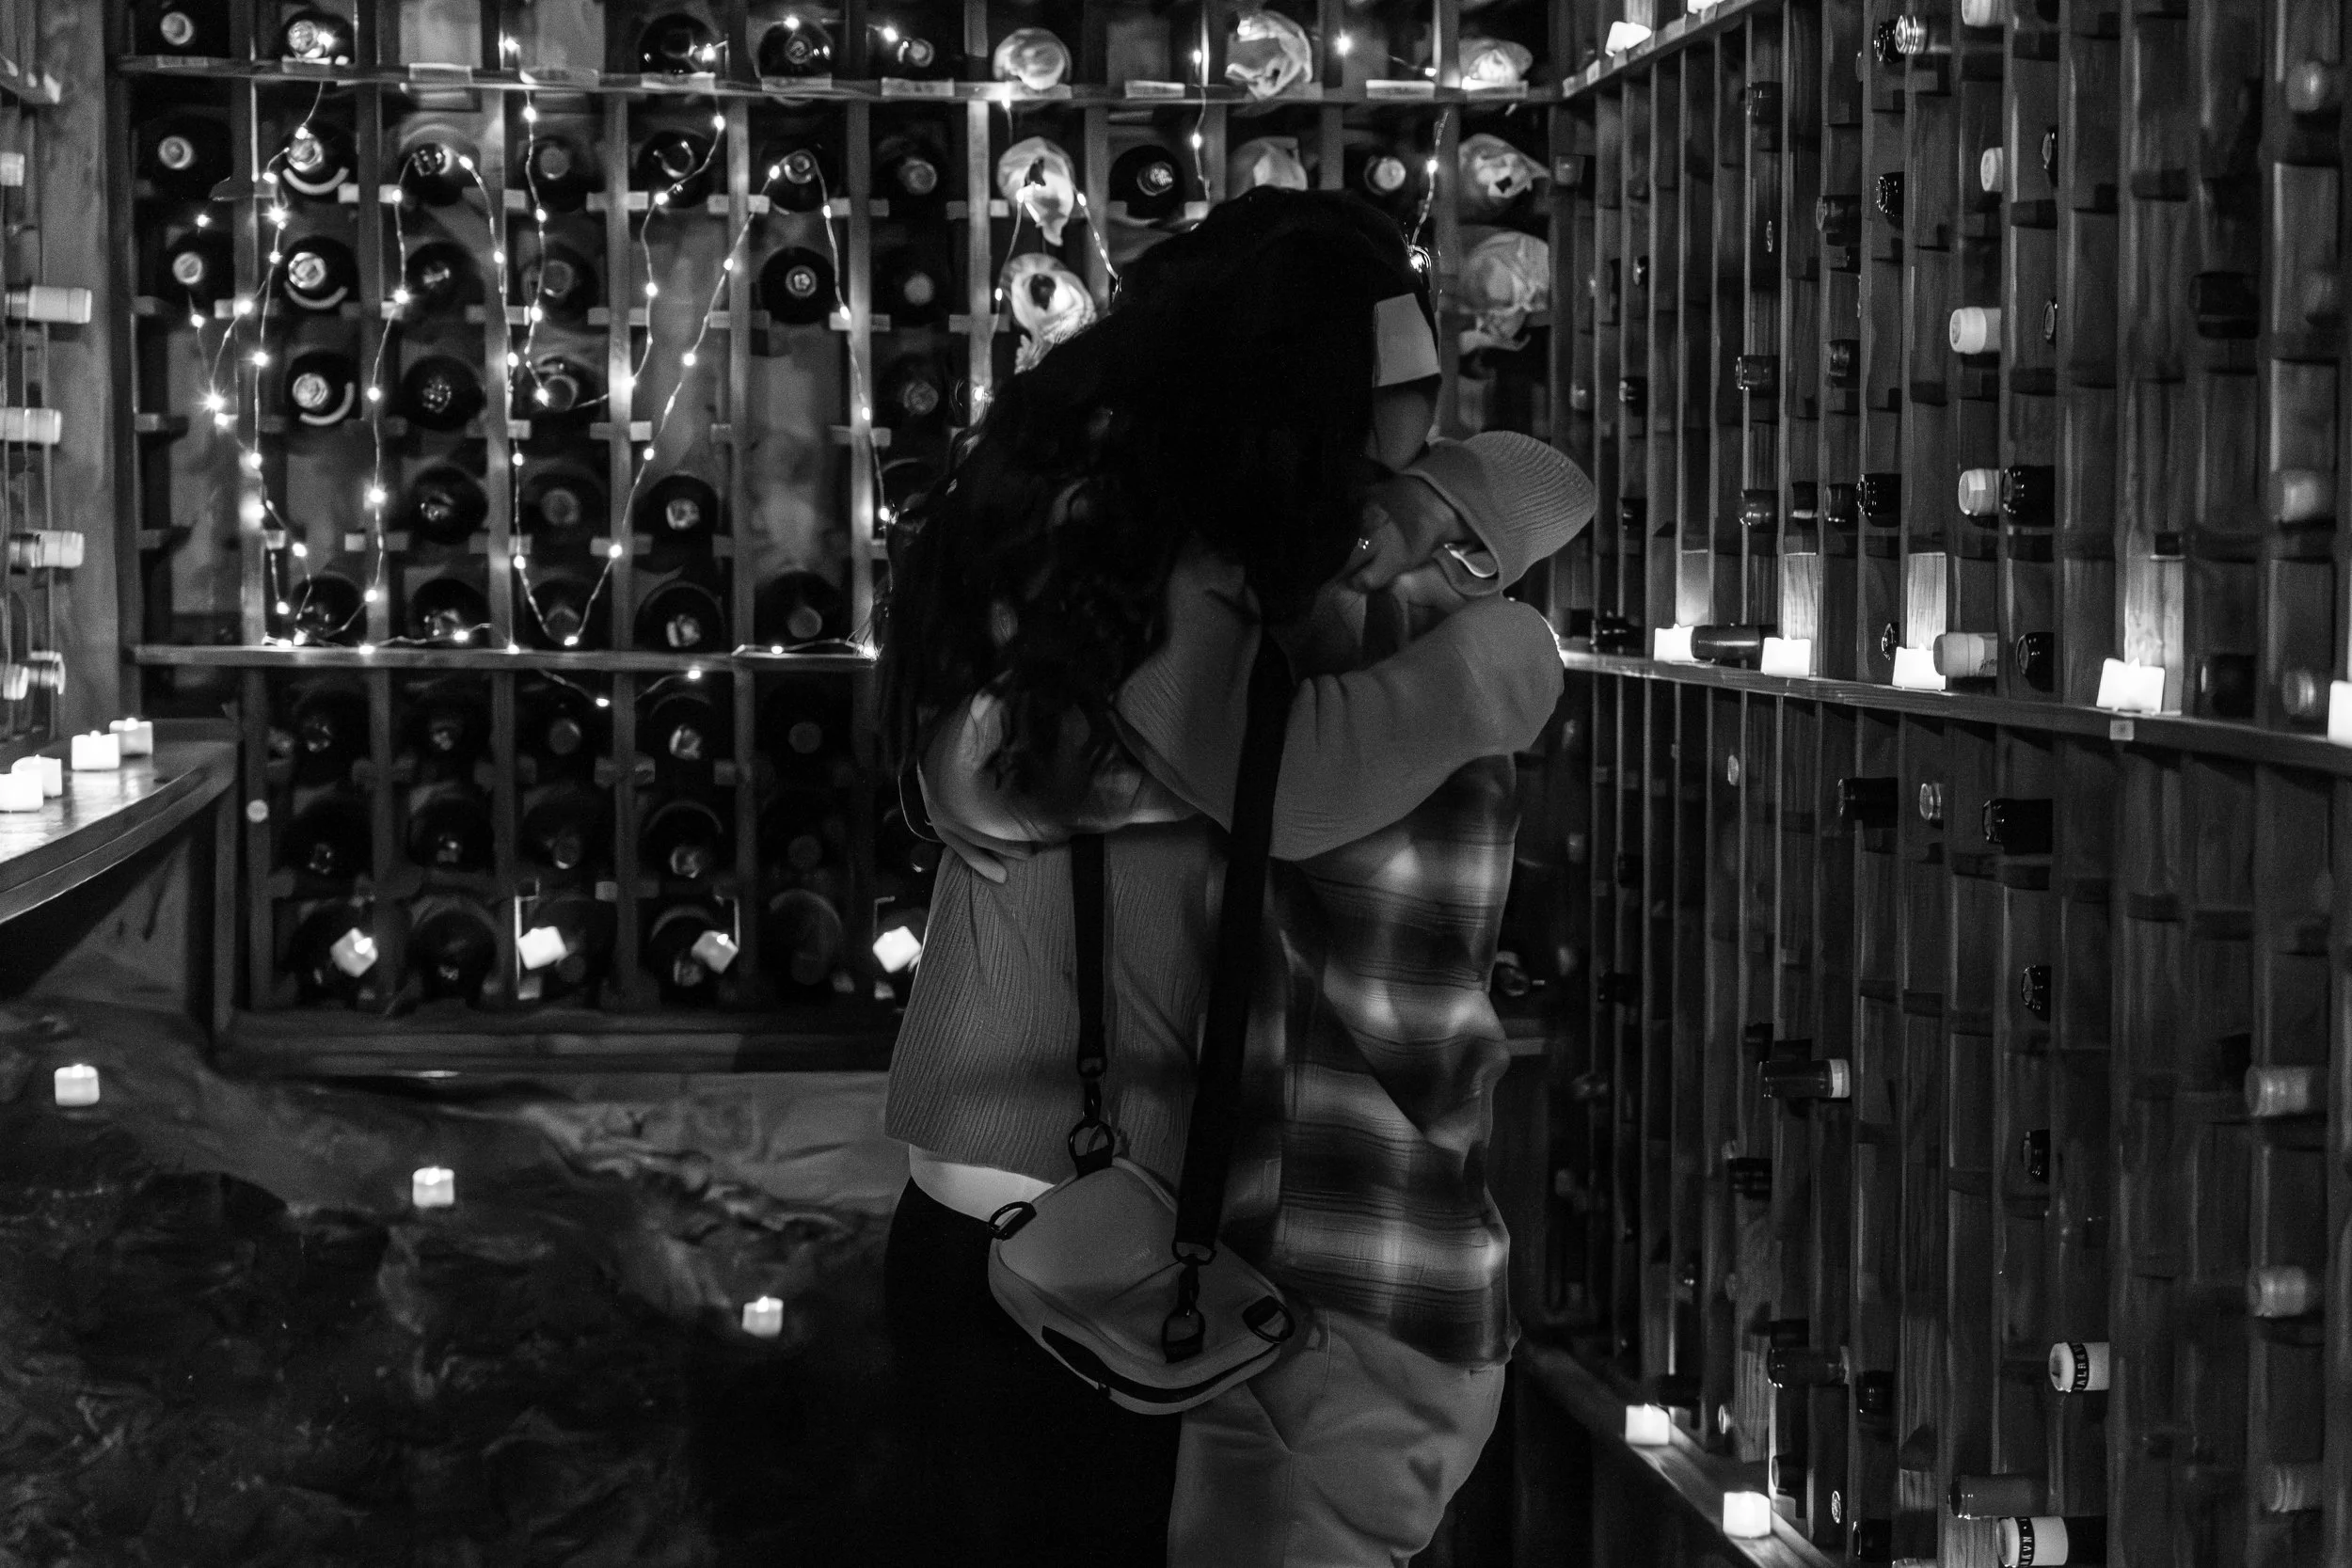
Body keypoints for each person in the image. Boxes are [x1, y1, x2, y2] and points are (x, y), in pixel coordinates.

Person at [875, 188, 1584, 1567]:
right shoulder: (1156, 548)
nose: (1399, 417)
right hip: (1064, 1232)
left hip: (1021, 1203)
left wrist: (1424, 502)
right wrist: (1499, 666)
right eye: (1380, 383)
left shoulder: (1095, 491)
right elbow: (1300, 784)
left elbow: (1548, 477)